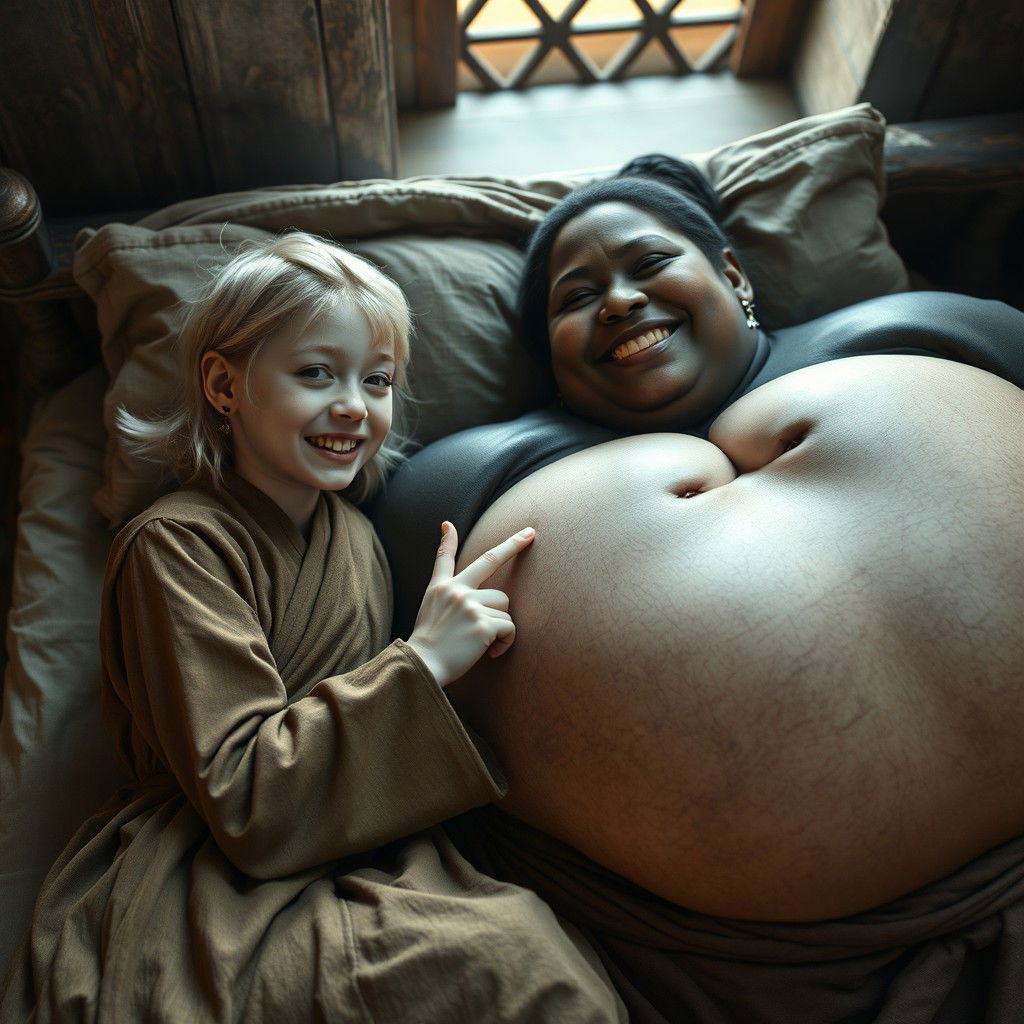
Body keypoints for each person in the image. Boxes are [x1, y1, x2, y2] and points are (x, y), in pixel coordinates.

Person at [370, 165, 1024, 1022]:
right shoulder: (471, 473)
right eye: (575, 298)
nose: (617, 299)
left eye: (648, 262)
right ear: (549, 355)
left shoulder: (915, 328)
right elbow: (383, 685)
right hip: (737, 960)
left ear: (734, 274)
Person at [0, 233, 627, 1023]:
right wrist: (423, 659)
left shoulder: (359, 541)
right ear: (224, 385)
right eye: (315, 374)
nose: (353, 407)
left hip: (366, 839)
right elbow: (242, 797)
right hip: (213, 868)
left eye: (377, 380)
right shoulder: (176, 544)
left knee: (546, 960)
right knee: (504, 967)